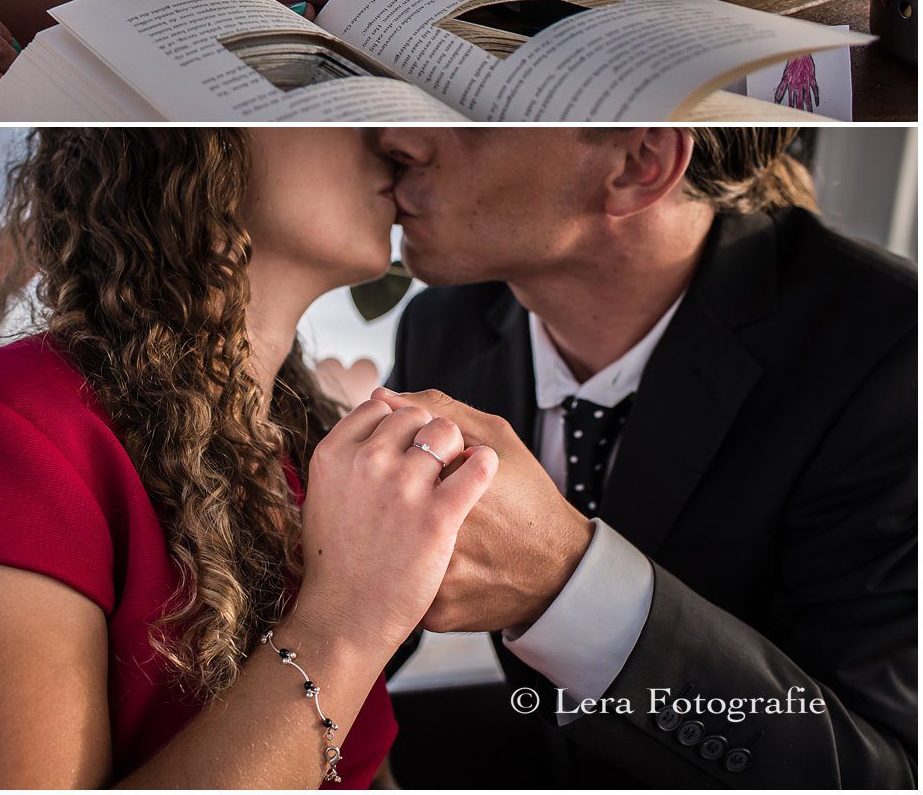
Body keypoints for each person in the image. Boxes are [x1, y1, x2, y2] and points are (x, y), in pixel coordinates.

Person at [0, 128, 498, 788]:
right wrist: (351, 616)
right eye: (335, 107)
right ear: (193, 140)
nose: (394, 137)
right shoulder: (0, 426)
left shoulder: (307, 446)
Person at [373, 126, 916, 788]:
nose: (396, 135)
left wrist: (566, 588)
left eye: (469, 112)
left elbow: (881, 771)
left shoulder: (891, 351)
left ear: (640, 161)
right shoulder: (444, 326)